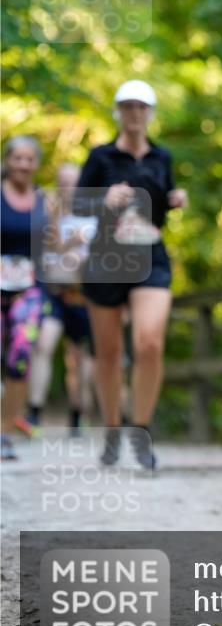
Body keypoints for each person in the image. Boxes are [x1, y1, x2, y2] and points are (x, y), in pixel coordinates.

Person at [76, 80, 188, 470]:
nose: (135, 113)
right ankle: (111, 429)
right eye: (128, 106)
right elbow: (77, 203)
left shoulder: (162, 156)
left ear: (151, 113)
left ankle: (140, 430)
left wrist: (176, 199)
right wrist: (102, 198)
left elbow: (165, 201)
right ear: (118, 112)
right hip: (106, 257)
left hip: (150, 256)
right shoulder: (100, 156)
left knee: (149, 343)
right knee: (107, 353)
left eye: (142, 106)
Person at [23, 162, 98, 437]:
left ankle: (78, 415)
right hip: (52, 293)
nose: (67, 187)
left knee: (81, 362)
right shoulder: (44, 217)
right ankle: (34, 413)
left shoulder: (93, 219)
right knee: (43, 345)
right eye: (62, 181)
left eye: (73, 182)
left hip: (83, 297)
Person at [1, 136, 48, 460]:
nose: (23, 164)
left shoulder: (45, 200)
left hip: (29, 288)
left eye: (29, 158)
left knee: (20, 356)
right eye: (18, 157)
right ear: (7, 160)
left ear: (36, 164)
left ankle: (4, 432)